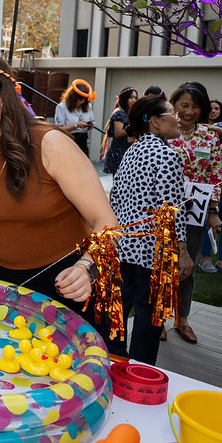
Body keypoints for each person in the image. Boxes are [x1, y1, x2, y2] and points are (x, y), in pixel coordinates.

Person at [0, 52, 117, 320]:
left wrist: (87, 269)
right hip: (9, 292)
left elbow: (106, 222)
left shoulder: (50, 144)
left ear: (2, 96)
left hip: (73, 287)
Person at [108, 95, 189, 365]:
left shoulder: (132, 151)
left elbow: (116, 199)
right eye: (171, 112)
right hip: (152, 251)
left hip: (125, 247)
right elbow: (172, 212)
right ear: (154, 121)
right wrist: (182, 251)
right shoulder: (167, 155)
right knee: (149, 317)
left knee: (120, 311)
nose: (178, 117)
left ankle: (114, 362)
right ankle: (140, 373)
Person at [164, 82, 222, 342]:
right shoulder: (164, 132)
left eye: (195, 106)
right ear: (174, 104)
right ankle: (158, 319)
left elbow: (215, 175)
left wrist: (213, 210)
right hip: (165, 209)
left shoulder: (210, 138)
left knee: (187, 267)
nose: (189, 111)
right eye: (184, 105)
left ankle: (182, 318)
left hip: (196, 210)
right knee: (162, 264)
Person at [198, 98, 222, 272]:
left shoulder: (218, 129)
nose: (213, 111)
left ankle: (220, 260)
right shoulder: (199, 131)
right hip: (205, 185)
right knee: (208, 219)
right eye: (211, 108)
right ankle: (205, 258)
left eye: (217, 108)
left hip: (217, 179)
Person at [101, 87, 138, 175]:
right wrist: (134, 127)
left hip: (128, 151)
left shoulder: (129, 113)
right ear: (125, 98)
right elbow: (118, 133)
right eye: (131, 97)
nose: (133, 100)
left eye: (135, 98)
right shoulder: (119, 113)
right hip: (119, 152)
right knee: (117, 183)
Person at [54, 81, 95, 157]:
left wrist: (89, 125)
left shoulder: (88, 106)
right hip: (69, 140)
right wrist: (76, 125)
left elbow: (92, 124)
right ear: (73, 97)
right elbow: (59, 128)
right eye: (79, 99)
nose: (81, 102)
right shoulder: (62, 107)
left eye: (84, 99)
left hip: (83, 141)